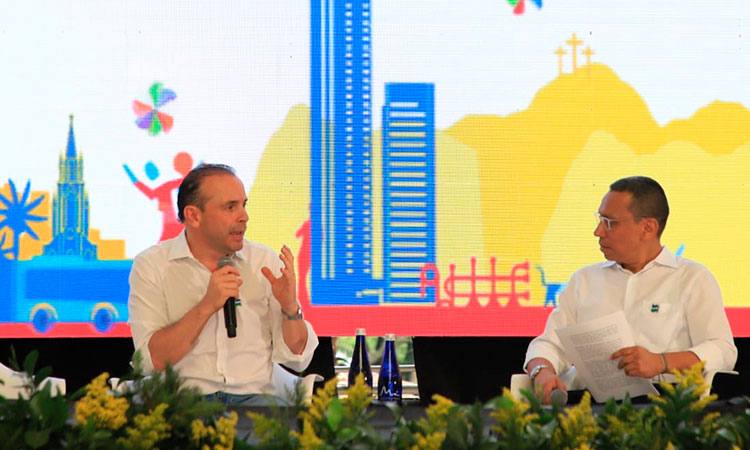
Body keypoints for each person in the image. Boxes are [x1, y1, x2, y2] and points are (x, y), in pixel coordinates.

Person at [524, 176, 736, 404]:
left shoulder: (691, 278)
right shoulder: (584, 280)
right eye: (600, 219)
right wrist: (542, 371)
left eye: (610, 222)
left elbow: (722, 350)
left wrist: (661, 362)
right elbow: (549, 344)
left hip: (663, 406)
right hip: (586, 407)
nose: (598, 231)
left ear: (647, 228)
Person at [128, 163, 319, 406]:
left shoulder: (264, 263)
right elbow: (149, 361)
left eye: (244, 205)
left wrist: (290, 308)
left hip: (255, 400)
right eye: (230, 207)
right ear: (194, 216)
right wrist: (206, 306)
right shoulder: (152, 265)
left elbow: (298, 359)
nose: (244, 217)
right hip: (183, 402)